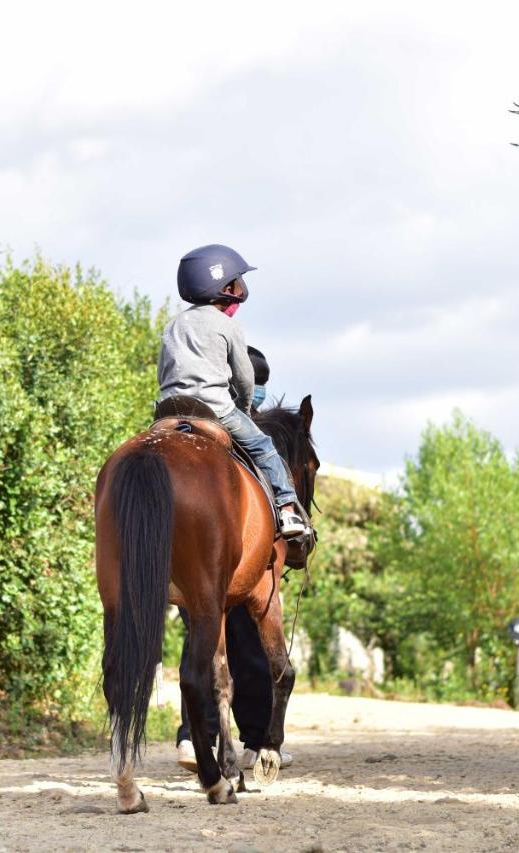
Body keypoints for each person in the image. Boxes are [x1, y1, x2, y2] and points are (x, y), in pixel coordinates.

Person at [171, 344, 293, 773]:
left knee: (202, 641)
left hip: (193, 559)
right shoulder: (245, 434)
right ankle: (256, 738)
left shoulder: (184, 432)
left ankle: (193, 737)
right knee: (243, 647)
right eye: (255, 385)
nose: (257, 393)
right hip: (243, 557)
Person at [157, 244, 308, 539]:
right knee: (264, 447)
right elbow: (243, 376)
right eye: (236, 282)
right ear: (223, 286)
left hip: (168, 409)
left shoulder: (172, 326)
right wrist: (246, 404)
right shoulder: (227, 324)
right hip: (214, 409)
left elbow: (163, 371)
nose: (239, 288)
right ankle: (288, 509)